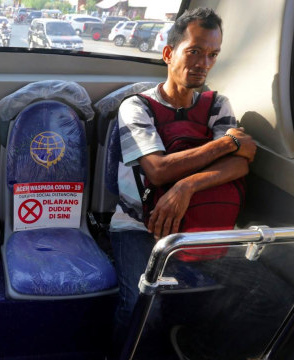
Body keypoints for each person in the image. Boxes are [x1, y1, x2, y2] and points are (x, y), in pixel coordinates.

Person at [109, 7, 271, 358]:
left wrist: (187, 187)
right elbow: (158, 170)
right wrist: (228, 143)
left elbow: (239, 167)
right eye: (194, 51)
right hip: (139, 227)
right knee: (142, 304)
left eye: (212, 55)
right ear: (169, 54)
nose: (203, 63)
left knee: (268, 297)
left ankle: (192, 346)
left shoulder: (217, 105)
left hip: (201, 225)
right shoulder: (136, 108)